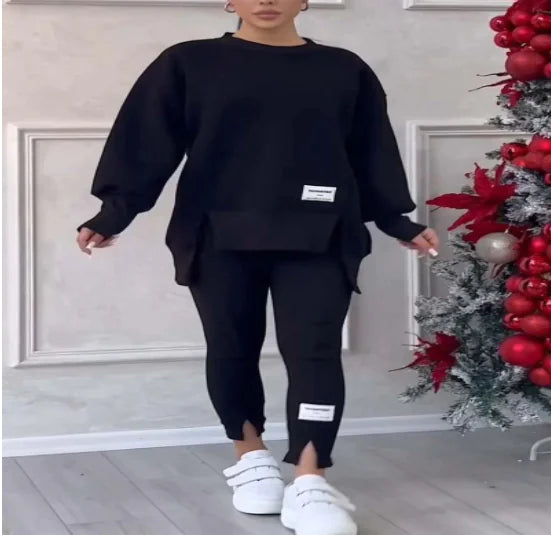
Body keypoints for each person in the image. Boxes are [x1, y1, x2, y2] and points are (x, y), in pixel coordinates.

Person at [75, 2, 440, 534]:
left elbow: (371, 151)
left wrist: (394, 219)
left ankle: (310, 479)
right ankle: (251, 459)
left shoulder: (344, 69)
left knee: (314, 352)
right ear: (229, 1)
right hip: (216, 233)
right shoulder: (188, 63)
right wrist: (115, 212)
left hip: (321, 233)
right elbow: (147, 141)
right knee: (232, 348)